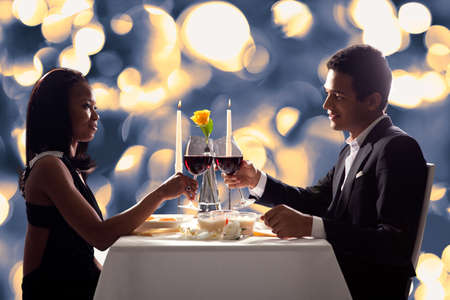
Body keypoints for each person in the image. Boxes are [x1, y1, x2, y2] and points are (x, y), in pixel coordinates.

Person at [224, 45, 427, 300]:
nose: (326, 104)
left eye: (338, 96)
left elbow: (394, 246)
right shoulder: (353, 147)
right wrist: (257, 180)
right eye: (328, 93)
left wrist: (310, 226)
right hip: (332, 275)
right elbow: (314, 201)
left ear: (373, 101)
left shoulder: (397, 148)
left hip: (361, 288)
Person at [19, 68, 198, 300]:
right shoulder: (49, 167)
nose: (96, 116)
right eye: (85, 106)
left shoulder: (66, 166)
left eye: (95, 107)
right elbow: (100, 236)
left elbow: (79, 250)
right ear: (58, 110)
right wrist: (162, 192)